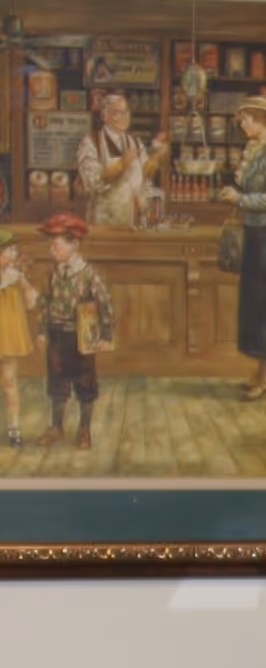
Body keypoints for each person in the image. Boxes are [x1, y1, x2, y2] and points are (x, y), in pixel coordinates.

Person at [221, 96, 266, 401]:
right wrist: (238, 195)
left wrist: (240, 200)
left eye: (247, 119)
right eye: (241, 120)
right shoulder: (255, 150)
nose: (243, 124)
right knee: (256, 305)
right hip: (255, 232)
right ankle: (263, 374)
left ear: (262, 120)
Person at [37, 211, 114, 451]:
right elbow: (44, 303)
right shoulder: (53, 274)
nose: (52, 249)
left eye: (56, 244)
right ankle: (56, 426)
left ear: (74, 244)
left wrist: (105, 334)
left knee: (85, 386)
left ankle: (84, 430)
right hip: (57, 337)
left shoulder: (88, 275)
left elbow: (105, 304)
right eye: (51, 244)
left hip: (81, 338)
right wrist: (41, 330)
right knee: (57, 385)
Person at [74, 88, 166, 228]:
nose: (124, 117)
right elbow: (92, 181)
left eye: (126, 112)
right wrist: (122, 164)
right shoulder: (92, 143)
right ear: (104, 115)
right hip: (104, 221)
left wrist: (157, 155)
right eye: (117, 112)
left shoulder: (134, 142)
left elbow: (146, 172)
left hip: (134, 220)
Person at [0, 230, 33, 447]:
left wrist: (25, 283)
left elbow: (31, 302)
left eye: (14, 250)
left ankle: (14, 428)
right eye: (9, 250)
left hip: (9, 336)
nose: (13, 254)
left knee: (10, 382)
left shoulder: (15, 276)